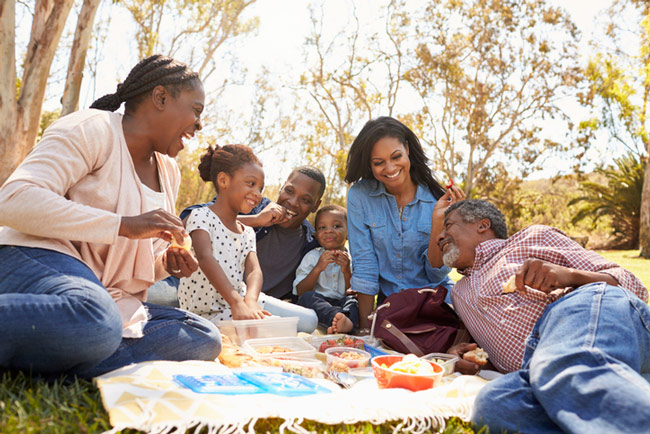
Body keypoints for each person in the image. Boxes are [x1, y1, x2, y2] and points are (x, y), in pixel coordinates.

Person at [0, 55, 221, 378]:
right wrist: (125, 225)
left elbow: (129, 260)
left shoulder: (168, 171)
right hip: (35, 258)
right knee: (97, 319)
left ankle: (57, 351)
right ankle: (78, 343)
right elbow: (14, 200)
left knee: (202, 337)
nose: (200, 124)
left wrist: (165, 263)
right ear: (160, 97)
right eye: (196, 110)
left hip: (98, 294)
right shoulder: (93, 128)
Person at [436, 199, 650, 433]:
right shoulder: (459, 293)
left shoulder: (533, 237)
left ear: (482, 225)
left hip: (581, 309)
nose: (440, 237)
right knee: (494, 406)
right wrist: (470, 357)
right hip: (538, 367)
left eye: (448, 225)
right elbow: (503, 348)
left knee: (568, 365)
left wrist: (567, 276)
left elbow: (633, 285)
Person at [344, 116, 465, 330]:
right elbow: (364, 264)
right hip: (389, 308)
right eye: (378, 163)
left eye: (396, 156)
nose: (390, 168)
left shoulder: (438, 199)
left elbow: (436, 273)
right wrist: (364, 328)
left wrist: (439, 221)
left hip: (436, 305)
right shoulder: (359, 196)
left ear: (407, 149)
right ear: (369, 164)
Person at [178, 145, 268, 323]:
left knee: (304, 321)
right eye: (251, 184)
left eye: (261, 189)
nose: (257, 194)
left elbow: (253, 270)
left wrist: (250, 301)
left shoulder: (247, 232)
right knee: (262, 331)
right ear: (223, 180)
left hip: (239, 306)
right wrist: (236, 303)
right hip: (204, 315)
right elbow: (205, 258)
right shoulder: (201, 217)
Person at [293, 204, 358, 334]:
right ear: (316, 235)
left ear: (348, 233)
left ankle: (342, 321)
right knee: (307, 297)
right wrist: (318, 268)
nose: (328, 231)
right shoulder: (312, 256)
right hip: (319, 304)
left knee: (354, 301)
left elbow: (352, 291)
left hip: (342, 302)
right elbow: (300, 291)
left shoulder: (353, 258)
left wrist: (346, 271)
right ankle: (338, 319)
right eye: (323, 228)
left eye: (336, 226)